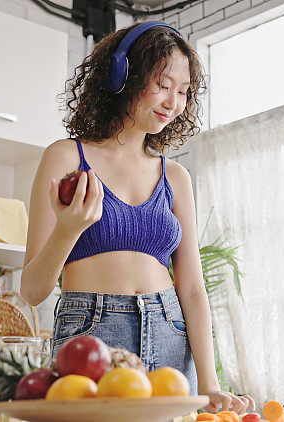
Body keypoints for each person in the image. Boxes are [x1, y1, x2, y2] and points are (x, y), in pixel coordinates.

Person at [20, 21, 253, 413]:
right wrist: (68, 230)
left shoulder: (176, 177)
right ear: (121, 75)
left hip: (170, 332)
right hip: (90, 332)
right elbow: (32, 290)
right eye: (162, 85)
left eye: (183, 92)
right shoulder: (65, 157)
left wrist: (210, 383)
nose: (172, 102)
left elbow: (193, 289)